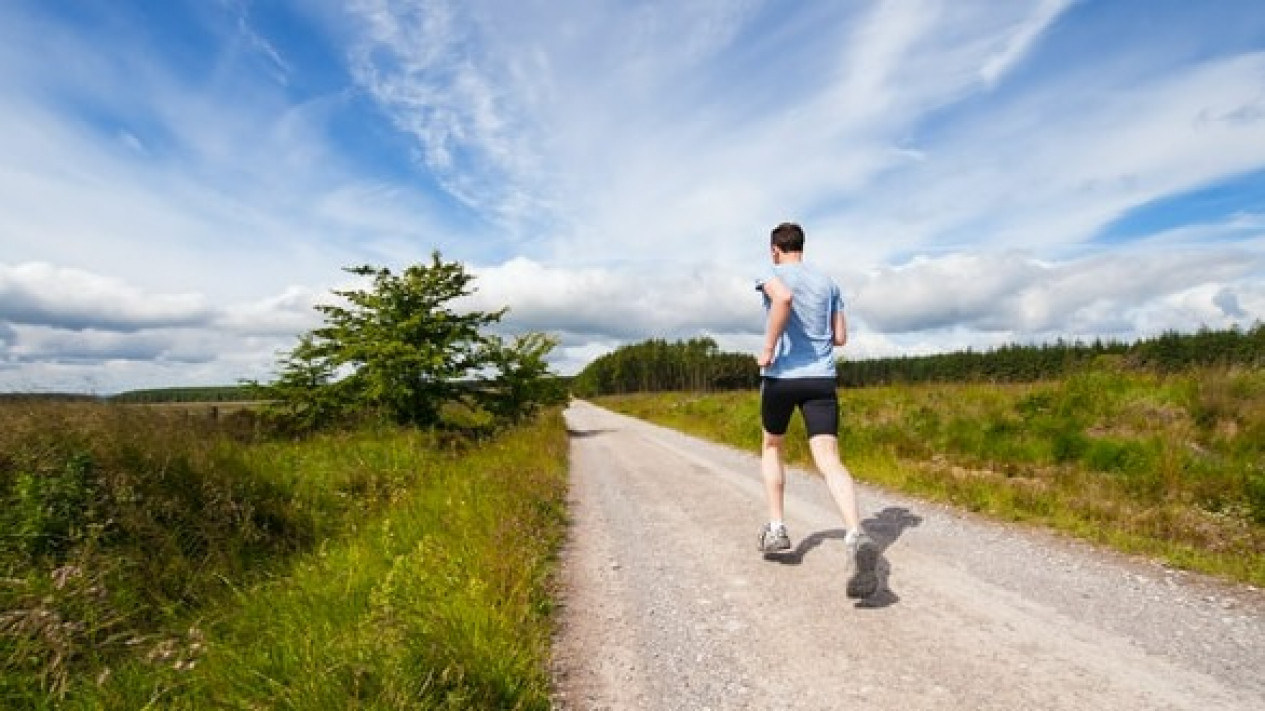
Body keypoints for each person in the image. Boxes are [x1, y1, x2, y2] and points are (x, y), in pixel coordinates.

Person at [754, 221, 878, 598]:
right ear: (802, 247)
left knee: (773, 446)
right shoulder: (829, 283)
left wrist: (769, 348)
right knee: (828, 458)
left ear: (775, 249)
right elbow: (840, 337)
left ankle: (776, 529)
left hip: (781, 378)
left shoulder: (770, 273)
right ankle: (855, 533)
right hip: (821, 379)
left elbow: (783, 299)